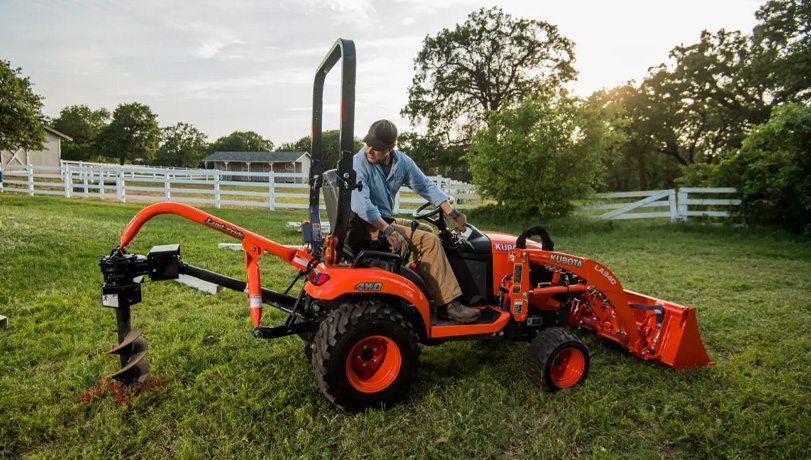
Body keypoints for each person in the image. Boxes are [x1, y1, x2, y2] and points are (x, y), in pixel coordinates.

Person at [350, 120, 481, 324]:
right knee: (429, 242)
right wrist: (389, 231)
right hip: (365, 224)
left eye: (376, 147)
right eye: (368, 144)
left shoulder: (402, 162)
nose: (369, 149)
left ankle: (425, 290)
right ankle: (448, 305)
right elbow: (362, 207)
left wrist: (452, 213)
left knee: (427, 230)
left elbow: (426, 186)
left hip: (383, 218)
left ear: (391, 147)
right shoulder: (359, 162)